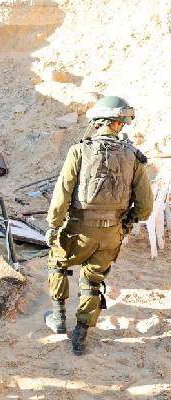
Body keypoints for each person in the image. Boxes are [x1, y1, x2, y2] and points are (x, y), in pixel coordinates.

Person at [43, 96, 153, 355]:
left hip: (79, 229)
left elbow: (62, 193)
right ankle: (81, 332)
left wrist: (53, 225)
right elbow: (146, 206)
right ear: (118, 124)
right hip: (112, 234)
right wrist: (127, 223)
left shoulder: (79, 150)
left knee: (57, 262)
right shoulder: (133, 157)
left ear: (98, 122)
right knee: (93, 280)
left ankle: (58, 319)